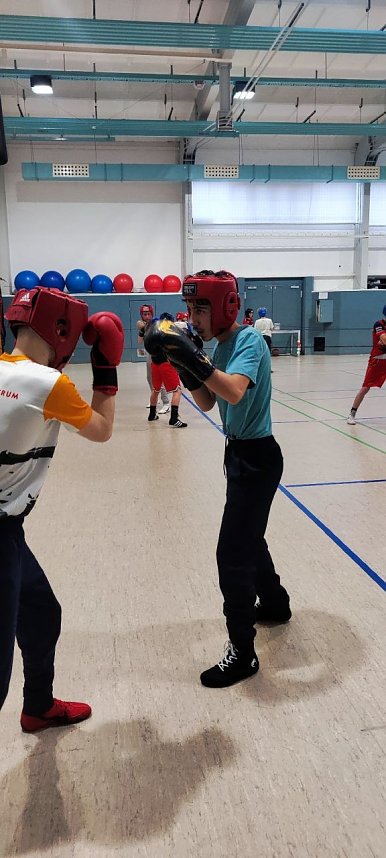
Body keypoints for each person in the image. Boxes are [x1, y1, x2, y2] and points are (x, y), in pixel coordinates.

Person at [144, 270, 291, 689]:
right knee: (250, 539)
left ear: (226, 306)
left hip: (259, 458)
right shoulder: (220, 346)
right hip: (241, 457)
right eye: (189, 308)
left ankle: (243, 653)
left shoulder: (246, 342)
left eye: (200, 308)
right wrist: (180, 361)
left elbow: (234, 392)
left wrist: (192, 357)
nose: (194, 317)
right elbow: (208, 400)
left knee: (232, 555)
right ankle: (276, 604)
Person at [0, 287, 124, 730]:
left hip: (10, 534)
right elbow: (103, 430)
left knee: (40, 613)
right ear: (62, 328)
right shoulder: (48, 383)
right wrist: (106, 365)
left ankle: (37, 705)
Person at [146, 312, 187, 429]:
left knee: (155, 389)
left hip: (154, 364)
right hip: (166, 364)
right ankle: (174, 418)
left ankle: (152, 414)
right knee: (177, 390)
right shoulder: (168, 334)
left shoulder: (153, 331)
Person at [347, 305, 386, 425]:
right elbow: (384, 339)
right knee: (365, 388)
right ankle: (352, 413)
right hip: (377, 361)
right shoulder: (379, 324)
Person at [136, 304, 169, 413]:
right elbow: (140, 342)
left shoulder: (156, 323)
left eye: (148, 314)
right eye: (144, 314)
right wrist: (142, 330)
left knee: (160, 378)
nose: (146, 316)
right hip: (149, 354)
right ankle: (154, 399)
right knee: (149, 377)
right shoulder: (143, 325)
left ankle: (166, 402)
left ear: (152, 314)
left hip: (159, 354)